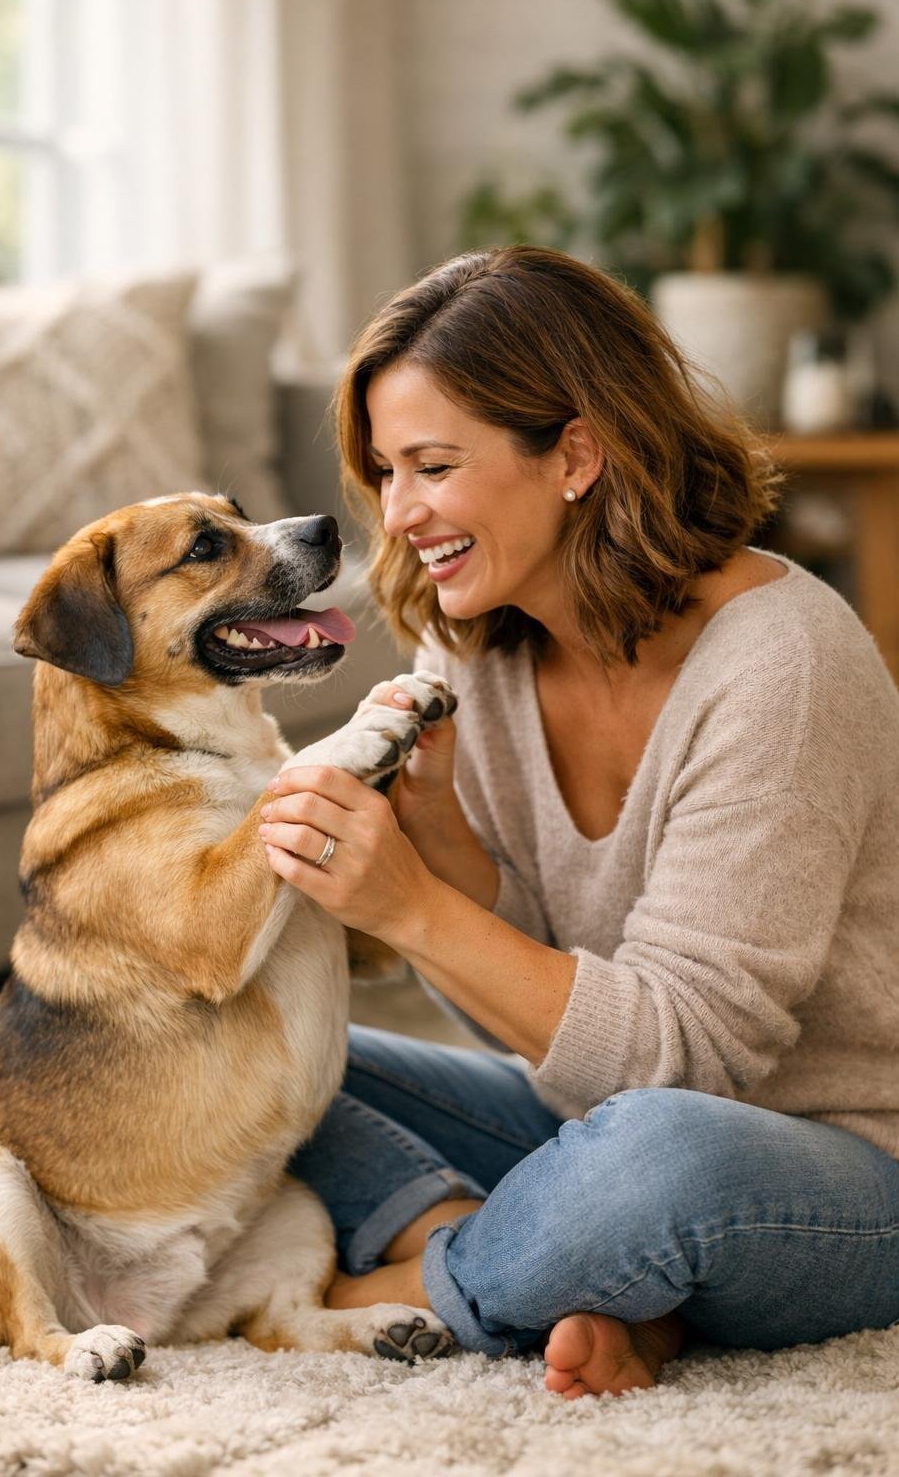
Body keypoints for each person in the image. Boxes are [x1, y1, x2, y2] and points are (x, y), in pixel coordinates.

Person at [257, 246, 899, 1398]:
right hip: (586, 1122)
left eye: (431, 466)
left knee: (655, 1162)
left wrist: (404, 906)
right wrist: (439, 847)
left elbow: (680, 1060)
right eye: (384, 474)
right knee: (256, 1050)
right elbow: (543, 1032)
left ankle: (427, 1284)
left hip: (841, 1166)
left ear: (575, 454)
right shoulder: (475, 634)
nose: (397, 517)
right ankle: (587, 1275)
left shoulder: (784, 661)